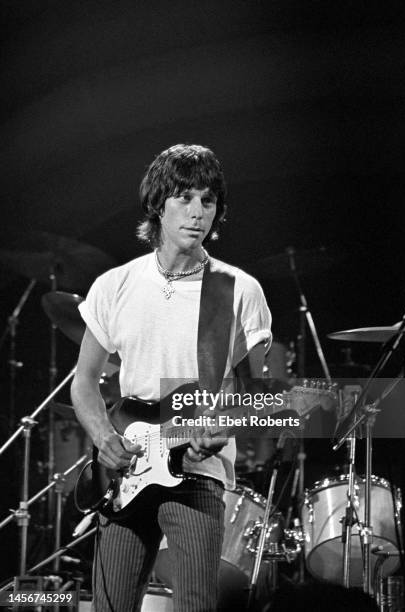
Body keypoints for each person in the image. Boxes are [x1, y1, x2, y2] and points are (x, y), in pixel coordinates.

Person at [71, 143, 272, 611]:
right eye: (184, 198)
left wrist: (221, 427)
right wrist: (104, 437)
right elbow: (83, 382)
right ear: (157, 205)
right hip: (125, 472)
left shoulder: (238, 290)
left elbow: (257, 396)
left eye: (208, 200)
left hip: (198, 475)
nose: (197, 212)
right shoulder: (115, 285)